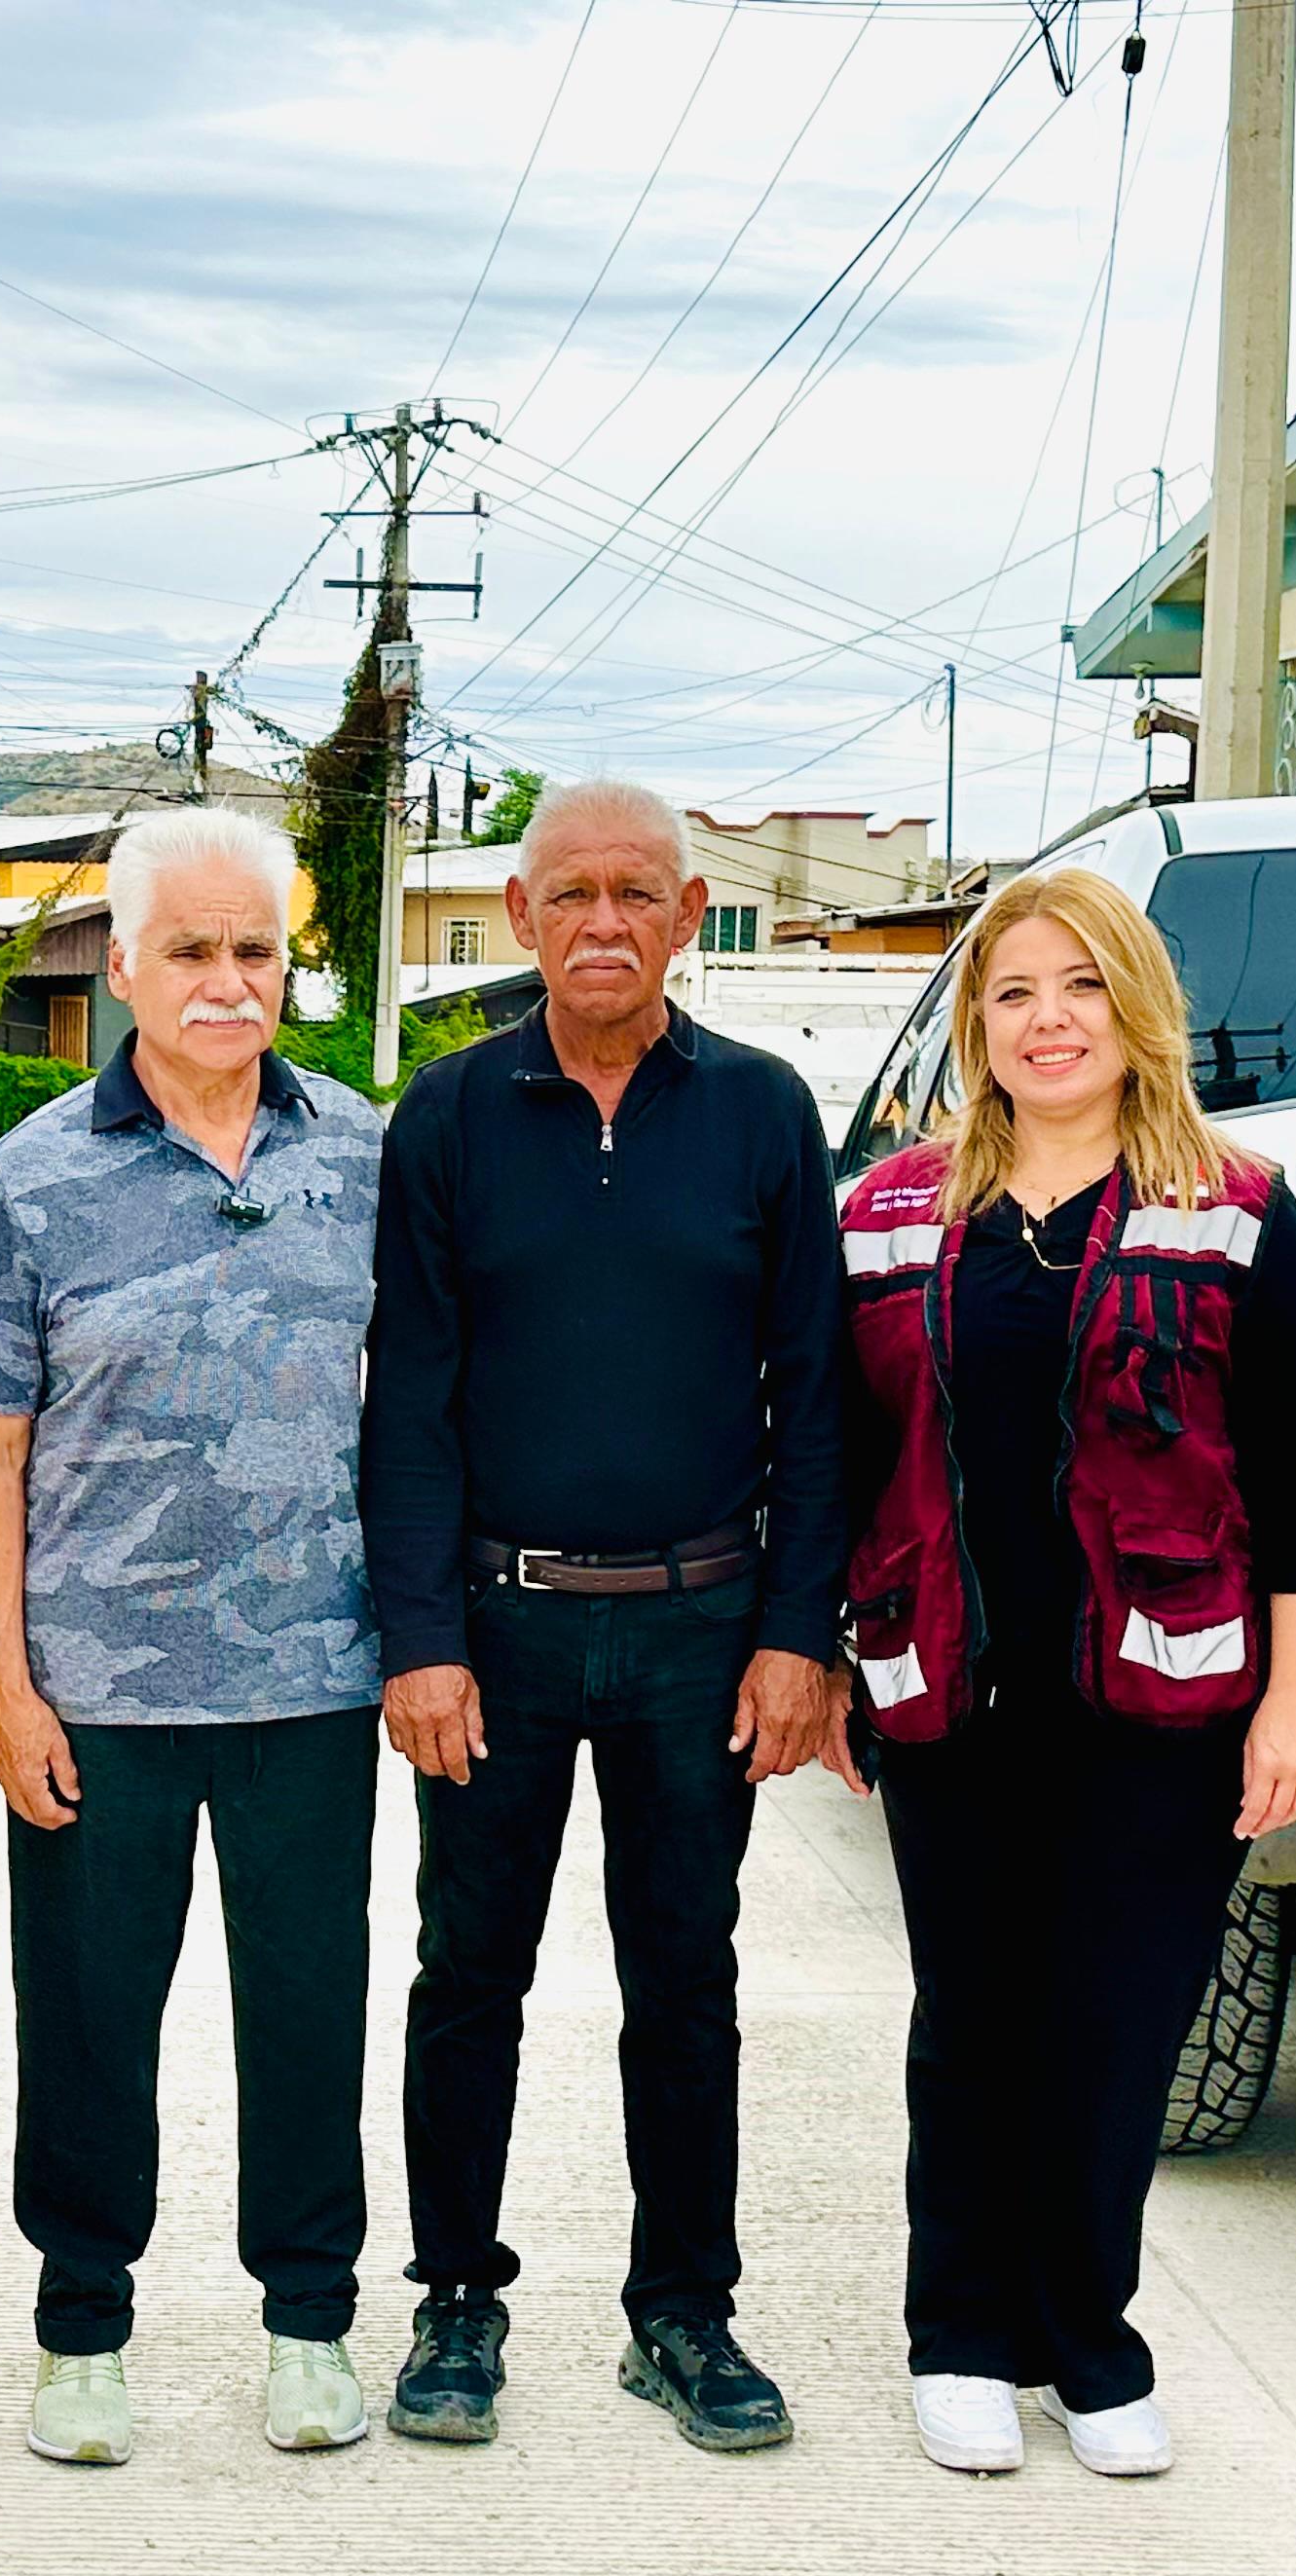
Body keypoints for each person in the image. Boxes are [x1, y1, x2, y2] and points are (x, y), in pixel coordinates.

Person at [820, 866, 1296, 2481]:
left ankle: (1089, 2341)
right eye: (1013, 992)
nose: (1047, 1021)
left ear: (1137, 1009)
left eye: (1080, 988)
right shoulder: (894, 1214)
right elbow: (838, 1455)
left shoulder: (1243, 1211)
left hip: (1166, 1705)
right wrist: (831, 1665)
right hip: (951, 1691)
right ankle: (961, 2335)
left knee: (1119, 2027)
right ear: (976, 1024)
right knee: (972, 2016)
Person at [359, 776, 848, 2456]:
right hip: (497, 1630)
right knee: (466, 1972)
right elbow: (407, 1398)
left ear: (690, 920)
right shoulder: (450, 1115)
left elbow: (823, 1395)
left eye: (639, 894)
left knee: (685, 1975)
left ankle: (684, 2311)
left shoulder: (767, 1116)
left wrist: (803, 1632)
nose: (603, 924)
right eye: (570, 893)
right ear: (520, 919)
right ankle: (455, 2305)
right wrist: (418, 1637)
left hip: (705, 1630)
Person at [0, 807, 388, 2467]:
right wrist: (10, 1687)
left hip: (311, 1678)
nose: (223, 980)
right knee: (89, 2012)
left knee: (309, 2006)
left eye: (252, 950)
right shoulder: (36, 1178)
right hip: (98, 1691)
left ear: (287, 969)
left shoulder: (359, 1155)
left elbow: (415, 1407)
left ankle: (312, 2323)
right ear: (123, 966)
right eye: (189, 951)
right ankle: (83, 2331)